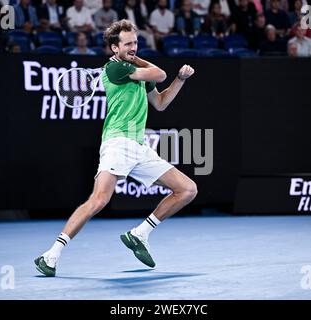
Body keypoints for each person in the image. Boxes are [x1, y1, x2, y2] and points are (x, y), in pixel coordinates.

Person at [35, 19, 197, 277]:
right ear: (114, 48)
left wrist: (180, 79)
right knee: (99, 200)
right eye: (129, 43)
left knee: (187, 189)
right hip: (118, 143)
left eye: (136, 42)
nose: (134, 47)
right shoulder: (115, 69)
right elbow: (159, 73)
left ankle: (139, 234)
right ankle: (51, 254)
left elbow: (161, 102)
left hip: (139, 146)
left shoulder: (133, 67)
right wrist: (142, 63)